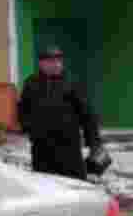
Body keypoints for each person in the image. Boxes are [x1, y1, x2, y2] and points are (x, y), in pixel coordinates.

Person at [17, 45, 107, 180]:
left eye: (59, 61)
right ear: (41, 63)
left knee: (73, 183)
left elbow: (87, 114)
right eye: (51, 61)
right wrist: (29, 129)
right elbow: (23, 109)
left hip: (68, 147)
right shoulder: (31, 83)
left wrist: (94, 143)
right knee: (44, 183)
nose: (56, 65)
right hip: (42, 148)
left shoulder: (71, 83)